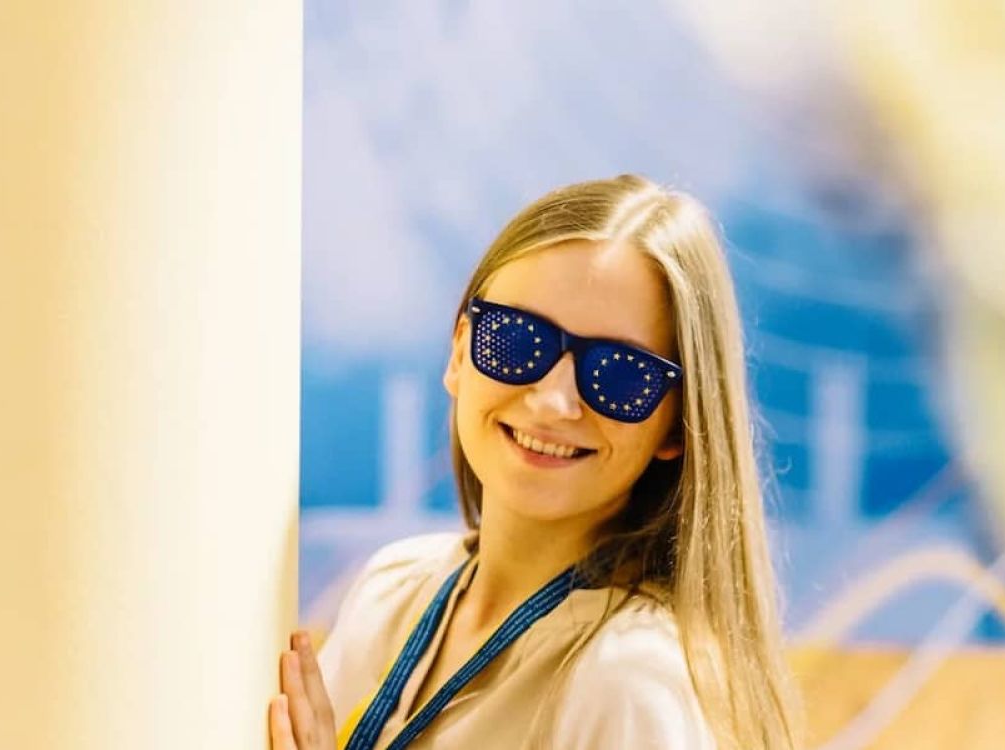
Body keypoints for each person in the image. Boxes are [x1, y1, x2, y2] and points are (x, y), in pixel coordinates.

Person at [267, 175, 800, 749]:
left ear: (677, 425)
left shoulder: (632, 682)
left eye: (621, 374)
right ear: (459, 351)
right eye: (516, 339)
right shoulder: (392, 589)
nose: (552, 401)